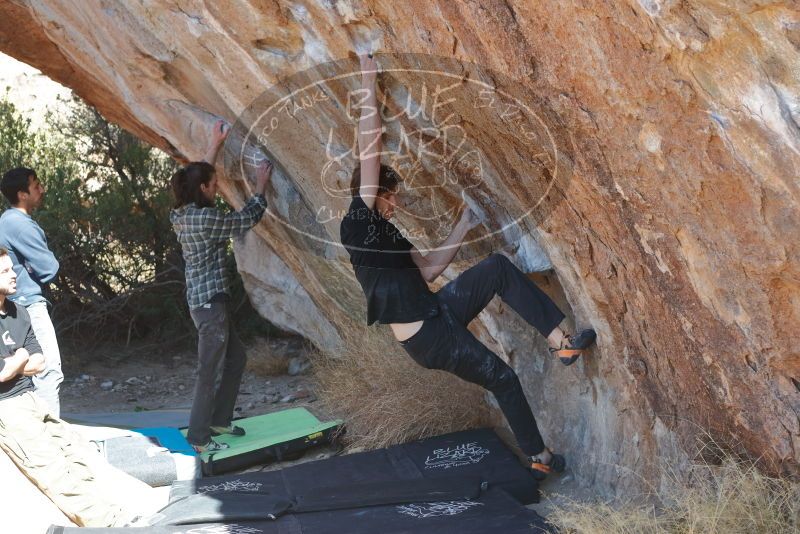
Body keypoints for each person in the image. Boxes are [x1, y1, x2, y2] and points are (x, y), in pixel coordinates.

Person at [339, 54, 597, 479]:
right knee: (504, 378)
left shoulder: (389, 237)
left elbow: (428, 271)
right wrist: (368, 82)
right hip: (428, 338)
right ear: (376, 193)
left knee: (496, 267)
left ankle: (561, 341)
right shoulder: (358, 219)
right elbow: (372, 141)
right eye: (392, 195)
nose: (396, 203)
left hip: (438, 311)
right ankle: (540, 459)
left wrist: (463, 224)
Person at [0, 247, 135, 527]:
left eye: (11, 268)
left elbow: (39, 360)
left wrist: (17, 361)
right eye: (5, 271)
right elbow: (2, 373)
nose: (14, 274)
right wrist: (20, 359)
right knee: (52, 466)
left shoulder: (18, 311)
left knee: (76, 451)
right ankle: (107, 523)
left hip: (32, 397)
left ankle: (108, 510)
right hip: (8, 408)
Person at [170, 120, 273, 453]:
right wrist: (261, 185)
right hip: (210, 307)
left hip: (204, 303)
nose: (217, 189)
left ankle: (219, 421)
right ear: (203, 190)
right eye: (213, 186)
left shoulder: (182, 213)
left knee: (236, 358)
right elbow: (243, 220)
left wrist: (215, 143)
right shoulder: (205, 219)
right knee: (208, 370)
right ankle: (199, 438)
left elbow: (197, 176)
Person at [0, 167, 63, 417]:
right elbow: (49, 268)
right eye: (36, 185)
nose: (42, 189)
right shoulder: (19, 224)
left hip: (17, 304)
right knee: (47, 371)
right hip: (29, 304)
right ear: (22, 194)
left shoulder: (7, 221)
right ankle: (52, 436)